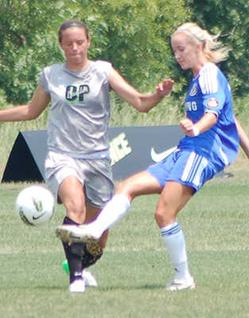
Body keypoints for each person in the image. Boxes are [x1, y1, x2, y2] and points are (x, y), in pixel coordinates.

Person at [56, 22, 245, 291]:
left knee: (164, 213)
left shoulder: (209, 75)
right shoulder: (198, 77)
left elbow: (213, 116)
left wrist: (196, 127)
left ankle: (183, 278)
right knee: (127, 187)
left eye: (181, 49)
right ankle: (95, 229)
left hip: (203, 152)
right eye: (174, 51)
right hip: (187, 149)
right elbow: (231, 116)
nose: (177, 55)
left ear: (200, 47)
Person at [0, 20, 174, 293]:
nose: (75, 48)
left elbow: (140, 104)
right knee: (75, 208)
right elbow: (31, 111)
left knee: (97, 240)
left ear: (88, 42)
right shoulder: (50, 75)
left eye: (79, 42)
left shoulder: (102, 71)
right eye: (68, 43)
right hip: (62, 156)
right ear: (61, 45)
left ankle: (77, 264)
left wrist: (158, 95)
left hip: (98, 160)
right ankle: (76, 279)